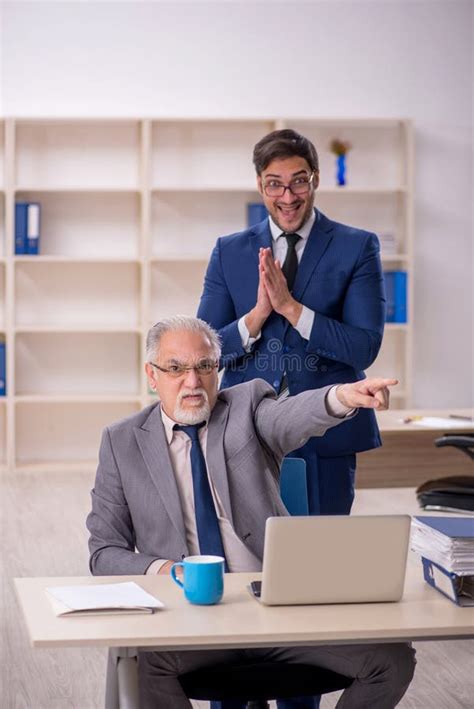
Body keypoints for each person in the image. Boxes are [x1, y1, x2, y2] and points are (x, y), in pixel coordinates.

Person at [86, 316, 415, 709]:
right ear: (152, 375)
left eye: (205, 367)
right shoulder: (121, 442)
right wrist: (164, 570)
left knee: (390, 658)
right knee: (142, 664)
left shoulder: (246, 407)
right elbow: (104, 552)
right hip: (187, 618)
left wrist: (341, 397)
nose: (193, 382)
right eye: (176, 369)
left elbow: (291, 416)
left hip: (275, 610)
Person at [197, 128, 386, 518]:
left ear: (315, 177)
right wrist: (258, 314)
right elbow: (206, 350)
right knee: (247, 554)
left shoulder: (357, 246)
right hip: (245, 430)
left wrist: (292, 309)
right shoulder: (228, 250)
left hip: (328, 432)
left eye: (299, 181)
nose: (288, 197)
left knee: (324, 555)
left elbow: (364, 346)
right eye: (274, 185)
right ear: (259, 185)